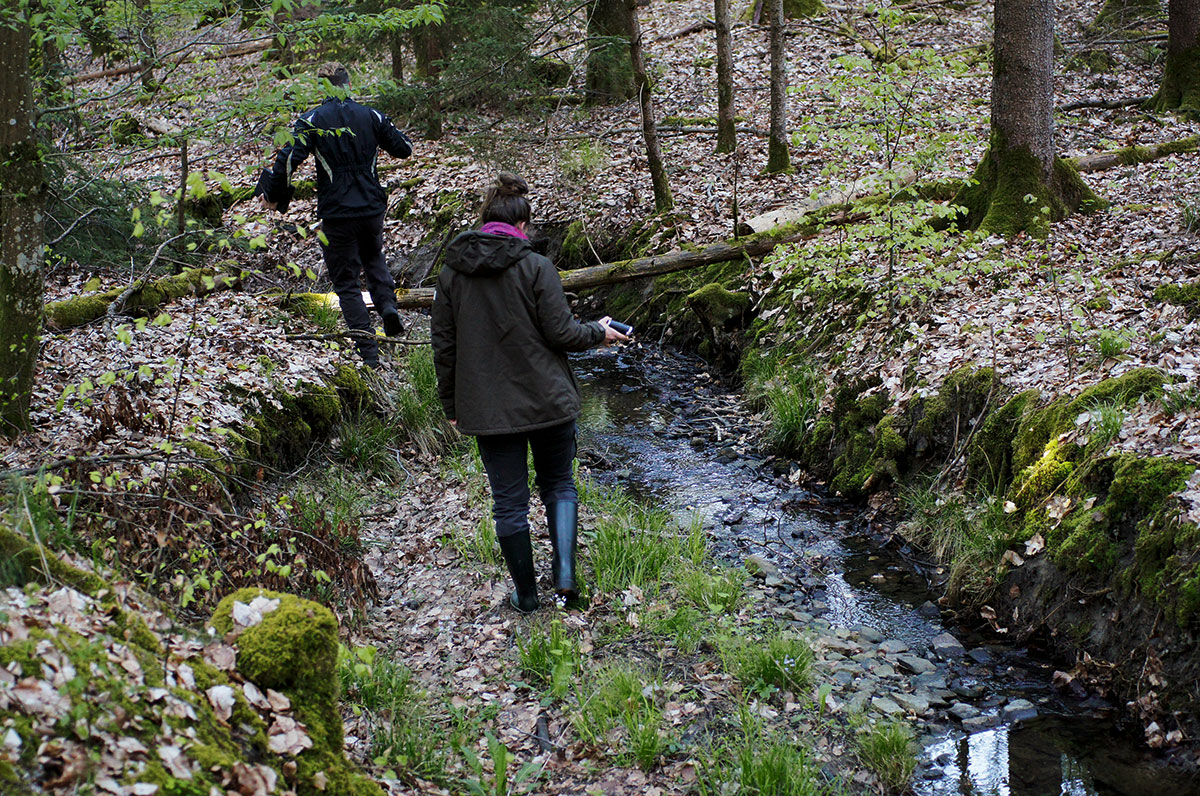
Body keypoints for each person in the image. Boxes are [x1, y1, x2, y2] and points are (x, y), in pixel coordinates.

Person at [431, 173, 629, 612]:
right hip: (548, 400)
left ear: (485, 221)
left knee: (509, 504)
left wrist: (451, 405)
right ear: (522, 226)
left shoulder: (451, 275)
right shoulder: (537, 267)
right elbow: (561, 333)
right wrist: (598, 332)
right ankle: (564, 577)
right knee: (559, 483)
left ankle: (525, 596)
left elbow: (443, 348)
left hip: (486, 408)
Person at [259, 62, 412, 368]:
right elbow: (404, 149)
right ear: (348, 84)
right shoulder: (371, 115)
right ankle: (388, 308)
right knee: (374, 258)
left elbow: (288, 161)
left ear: (322, 88)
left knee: (346, 283)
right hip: (371, 208)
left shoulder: (312, 119)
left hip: (337, 213)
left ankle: (369, 354)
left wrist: (274, 194)